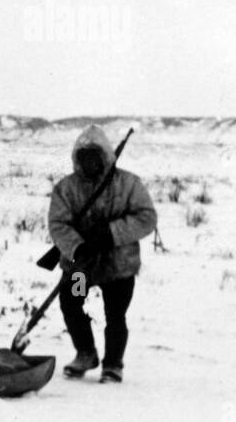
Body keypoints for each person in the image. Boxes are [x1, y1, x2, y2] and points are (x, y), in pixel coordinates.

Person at [48, 124, 157, 383]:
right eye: (83, 158)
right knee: (72, 304)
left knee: (115, 314)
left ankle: (112, 365)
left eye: (94, 157)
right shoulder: (66, 188)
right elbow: (58, 224)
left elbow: (147, 218)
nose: (89, 163)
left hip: (118, 266)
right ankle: (85, 354)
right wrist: (78, 247)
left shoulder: (129, 184)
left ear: (105, 157)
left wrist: (111, 233)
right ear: (77, 159)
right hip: (81, 268)